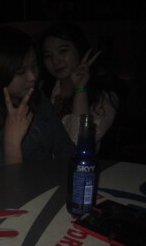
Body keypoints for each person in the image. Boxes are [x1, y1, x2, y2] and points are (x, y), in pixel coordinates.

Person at [0, 25, 76, 170]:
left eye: (35, 66)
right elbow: (7, 180)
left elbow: (66, 149)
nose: (32, 77)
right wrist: (12, 142)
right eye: (20, 71)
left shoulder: (38, 99)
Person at [40, 21, 119, 152]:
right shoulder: (41, 90)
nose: (55, 61)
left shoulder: (103, 98)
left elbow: (78, 144)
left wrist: (80, 89)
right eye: (47, 55)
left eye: (62, 51)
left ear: (79, 49)